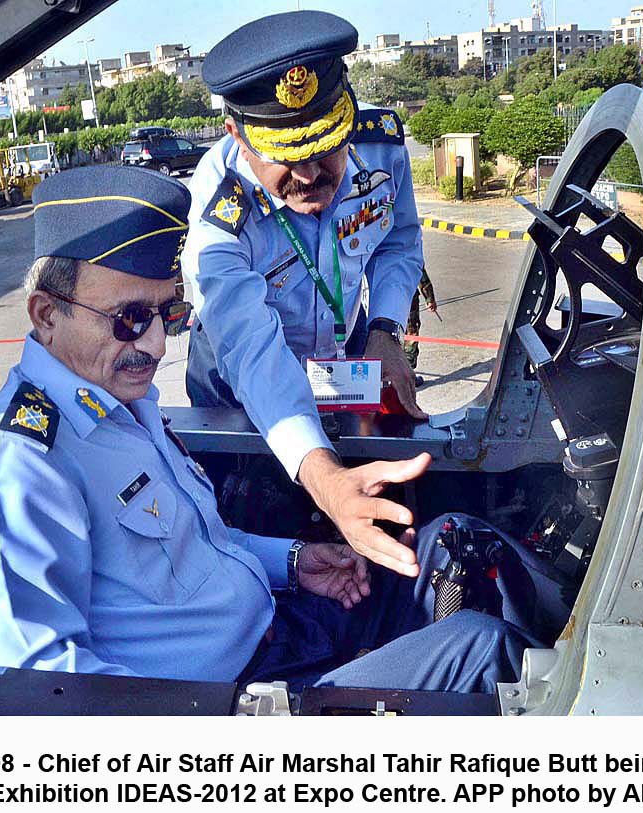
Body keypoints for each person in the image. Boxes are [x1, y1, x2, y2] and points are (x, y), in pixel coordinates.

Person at [0, 166, 541, 692]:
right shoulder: (22, 459)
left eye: (169, 314)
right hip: (237, 703)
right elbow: (30, 682)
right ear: (47, 314)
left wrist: (294, 561)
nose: (156, 345)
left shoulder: (121, 404)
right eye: (130, 320)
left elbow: (198, 547)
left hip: (283, 629)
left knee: (454, 544)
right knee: (481, 651)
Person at [182, 11, 430, 576]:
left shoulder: (382, 149)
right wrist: (327, 482)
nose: (312, 174)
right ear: (238, 138)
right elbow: (253, 356)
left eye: (326, 148)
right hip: (239, 395)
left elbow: (399, 242)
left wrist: (384, 331)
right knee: (253, 516)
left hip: (344, 364)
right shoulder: (221, 211)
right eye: (286, 157)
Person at [404, 267, 439, 373]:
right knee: (411, 333)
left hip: (382, 298)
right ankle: (408, 374)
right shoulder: (409, 250)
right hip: (407, 295)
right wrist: (429, 298)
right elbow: (419, 272)